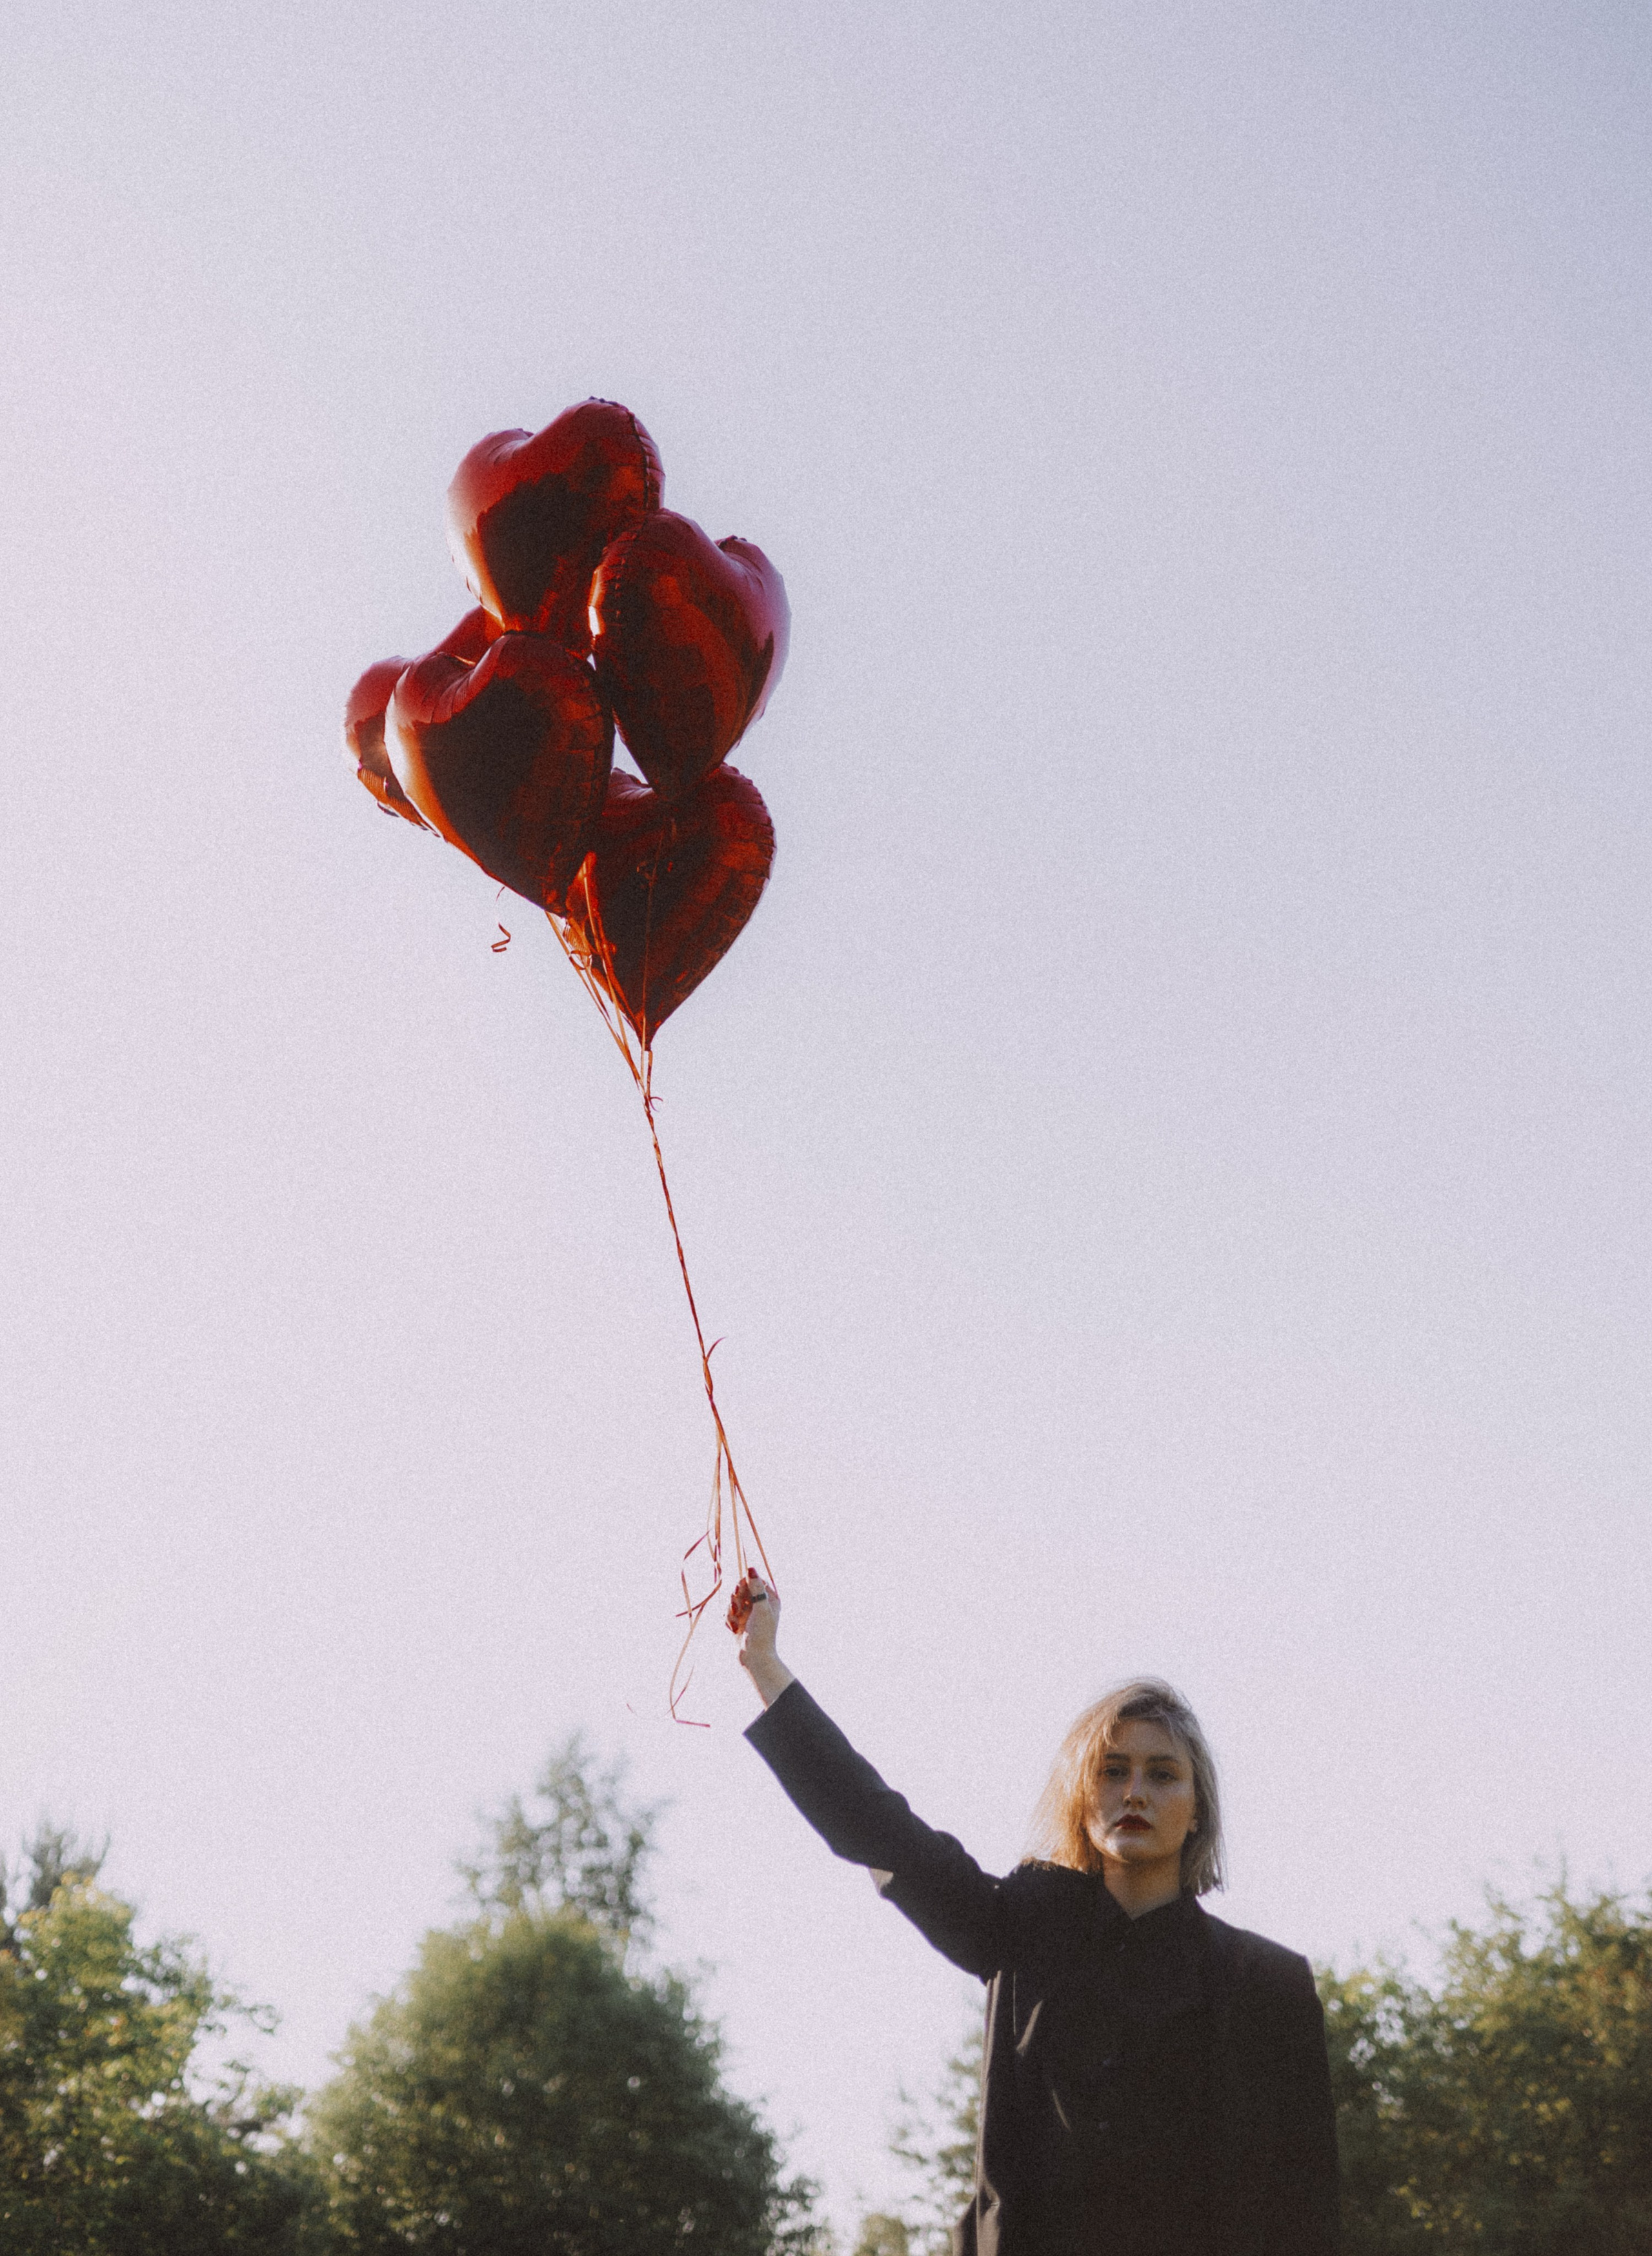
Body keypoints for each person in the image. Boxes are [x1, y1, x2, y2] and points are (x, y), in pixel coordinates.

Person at [732, 1573, 1339, 2256]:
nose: (1134, 1791)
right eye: (1112, 1770)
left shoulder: (1267, 1985)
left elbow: (1302, 2211)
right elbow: (879, 1827)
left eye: (1162, 1773)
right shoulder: (1021, 1928)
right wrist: (765, 1665)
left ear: (1197, 1807)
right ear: (1082, 1795)